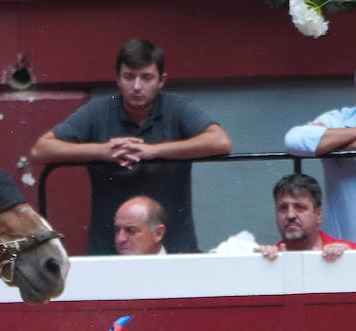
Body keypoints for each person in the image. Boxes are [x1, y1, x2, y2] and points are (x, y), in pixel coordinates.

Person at [29, 38, 232, 255]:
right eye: (129, 77)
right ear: (117, 79)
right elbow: (40, 151)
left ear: (161, 80)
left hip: (174, 247)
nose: (137, 86)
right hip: (109, 249)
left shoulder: (177, 107)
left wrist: (154, 151)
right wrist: (102, 152)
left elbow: (220, 142)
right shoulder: (98, 112)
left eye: (146, 78)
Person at [283, 71, 356, 243]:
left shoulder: (336, 127)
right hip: (344, 255)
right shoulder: (341, 118)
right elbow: (294, 140)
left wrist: (333, 141)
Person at [256, 172, 355, 261]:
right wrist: (260, 265)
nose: (290, 215)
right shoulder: (267, 259)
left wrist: (349, 261)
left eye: (300, 207)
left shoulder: (348, 252)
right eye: (283, 208)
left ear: (318, 214)